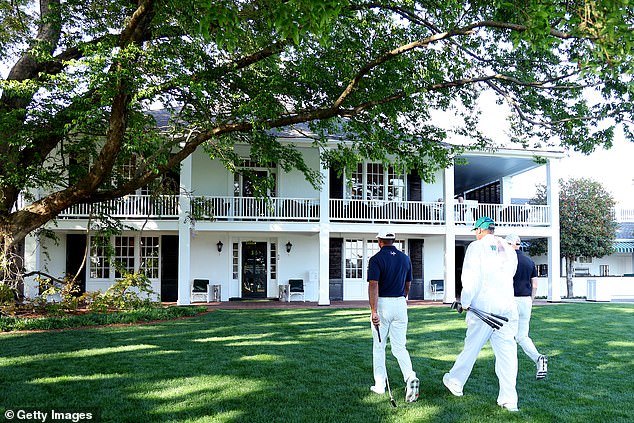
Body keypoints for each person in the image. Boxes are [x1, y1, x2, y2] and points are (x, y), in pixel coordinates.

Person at [443, 216, 520, 411]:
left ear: (479, 230)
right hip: (508, 306)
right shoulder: (509, 248)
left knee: (472, 347)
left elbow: (471, 278)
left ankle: (455, 381)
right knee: (508, 355)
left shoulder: (476, 247)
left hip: (485, 306)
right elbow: (510, 274)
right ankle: (509, 400)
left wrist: (466, 302)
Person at [368, 229, 419, 402]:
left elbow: (373, 285)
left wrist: (374, 311)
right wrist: (402, 299)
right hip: (400, 304)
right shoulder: (405, 258)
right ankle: (410, 376)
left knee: (379, 346)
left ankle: (380, 385)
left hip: (383, 304)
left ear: (379, 241)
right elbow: (408, 284)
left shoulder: (375, 259)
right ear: (394, 240)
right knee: (399, 347)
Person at [505, 234, 548, 380]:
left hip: (510, 301)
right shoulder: (530, 261)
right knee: (522, 336)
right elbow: (535, 284)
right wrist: (531, 299)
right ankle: (538, 358)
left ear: (510, 244)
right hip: (526, 301)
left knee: (506, 336)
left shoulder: (506, 260)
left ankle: (508, 369)